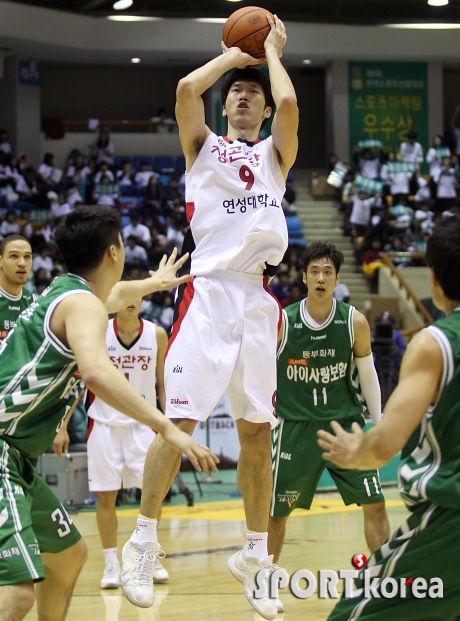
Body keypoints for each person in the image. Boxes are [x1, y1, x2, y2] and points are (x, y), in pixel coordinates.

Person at [121, 14, 298, 619]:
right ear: (226, 109)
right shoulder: (204, 146)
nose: (243, 96)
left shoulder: (275, 154)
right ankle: (142, 542)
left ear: (264, 109)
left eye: (252, 92)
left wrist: (269, 55)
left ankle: (256, 557)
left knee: (256, 433)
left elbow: (292, 103)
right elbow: (184, 93)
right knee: (179, 422)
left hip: (257, 298)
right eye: (235, 94)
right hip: (208, 291)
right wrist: (232, 54)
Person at [0, 205, 218, 621]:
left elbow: (111, 298)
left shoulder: (66, 292)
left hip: (16, 458)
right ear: (114, 252)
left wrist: (152, 284)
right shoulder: (81, 304)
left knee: (67, 557)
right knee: (16, 596)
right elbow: (98, 372)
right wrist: (166, 428)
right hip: (1, 451)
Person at [318, 214, 460, 620]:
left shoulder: (436, 343)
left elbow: (383, 445)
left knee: (350, 613)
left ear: (432, 279)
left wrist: (354, 449)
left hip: (450, 526)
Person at [268, 242, 390, 613]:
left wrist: (378, 424)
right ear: (303, 277)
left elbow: (368, 374)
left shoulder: (354, 321)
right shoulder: (283, 320)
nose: (321, 278)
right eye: (315, 272)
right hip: (296, 428)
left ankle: (385, 581)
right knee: (276, 513)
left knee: (376, 504)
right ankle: (266, 584)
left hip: (346, 427)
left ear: (337, 278)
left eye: (328, 272)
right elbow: (260, 372)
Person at [54, 290, 170, 590]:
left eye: (137, 295)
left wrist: (170, 423)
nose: (131, 300)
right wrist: (63, 425)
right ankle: (111, 563)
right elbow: (79, 383)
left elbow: (161, 384)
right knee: (106, 497)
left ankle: (147, 556)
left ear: (144, 300)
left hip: (143, 425)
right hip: (103, 424)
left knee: (152, 494)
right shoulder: (96, 332)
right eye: (125, 294)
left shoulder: (156, 334)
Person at [0, 234, 34, 342]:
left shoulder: (32, 300)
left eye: (27, 257)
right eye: (14, 256)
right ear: (0, 261)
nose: (22, 263)